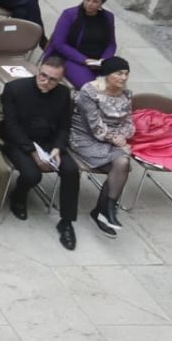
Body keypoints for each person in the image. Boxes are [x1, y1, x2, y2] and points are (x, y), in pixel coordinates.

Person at [1, 53, 80, 248]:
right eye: (42, 76)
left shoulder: (63, 94)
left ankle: (67, 221)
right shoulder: (15, 89)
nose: (45, 82)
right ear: (38, 71)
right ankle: (18, 197)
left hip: (48, 142)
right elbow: (9, 126)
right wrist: (31, 151)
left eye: (52, 80)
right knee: (31, 174)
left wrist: (57, 148)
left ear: (60, 80)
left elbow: (64, 126)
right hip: (19, 141)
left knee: (71, 171)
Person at [71, 55, 135, 239]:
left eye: (126, 74)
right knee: (122, 166)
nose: (123, 78)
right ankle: (105, 211)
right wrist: (115, 138)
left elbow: (129, 122)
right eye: (119, 73)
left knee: (121, 165)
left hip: (113, 140)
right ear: (107, 75)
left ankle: (106, 210)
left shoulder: (127, 94)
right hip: (84, 138)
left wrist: (124, 135)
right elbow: (95, 126)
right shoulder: (89, 92)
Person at [47, 0, 117, 87]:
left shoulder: (108, 17)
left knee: (114, 85)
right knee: (92, 88)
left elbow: (111, 44)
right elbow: (59, 43)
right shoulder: (69, 14)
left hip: (99, 62)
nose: (89, 4)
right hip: (72, 59)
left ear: (102, 2)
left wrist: (104, 60)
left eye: (95, 1)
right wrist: (84, 60)